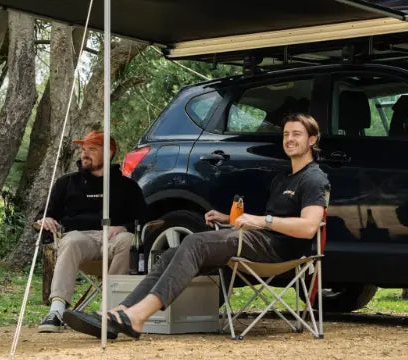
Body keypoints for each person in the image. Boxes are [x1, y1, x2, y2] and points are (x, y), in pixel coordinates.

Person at [63, 112, 329, 340]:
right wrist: (229, 218)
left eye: (296, 134)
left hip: (284, 250)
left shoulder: (314, 179)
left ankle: (137, 317)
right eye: (286, 134)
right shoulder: (284, 178)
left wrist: (262, 220)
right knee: (170, 253)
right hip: (262, 240)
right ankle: (120, 313)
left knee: (194, 242)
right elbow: (272, 218)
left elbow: (308, 227)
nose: (289, 139)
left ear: (312, 140)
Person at [36, 130, 147, 333]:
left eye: (92, 150)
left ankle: (110, 310)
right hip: (80, 239)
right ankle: (57, 310)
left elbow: (143, 219)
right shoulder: (66, 183)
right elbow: (47, 214)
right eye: (83, 149)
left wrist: (125, 227)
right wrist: (47, 219)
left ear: (109, 153)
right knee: (71, 240)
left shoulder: (127, 187)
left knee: (128, 239)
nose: (85, 154)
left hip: (114, 240)